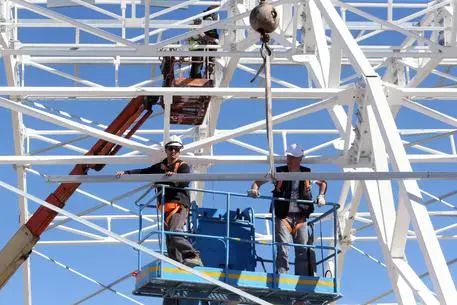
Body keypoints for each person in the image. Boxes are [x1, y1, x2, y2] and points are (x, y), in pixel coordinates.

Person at [116, 135, 203, 267]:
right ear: (166, 149)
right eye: (170, 148)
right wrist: (127, 172)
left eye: (176, 149)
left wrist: (173, 177)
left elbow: (185, 181)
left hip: (179, 204)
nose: (173, 151)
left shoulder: (183, 166)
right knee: (169, 238)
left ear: (179, 150)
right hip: (166, 206)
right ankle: (176, 264)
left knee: (174, 233)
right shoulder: (160, 167)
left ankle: (192, 255)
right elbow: (144, 172)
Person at [247, 143, 327, 276]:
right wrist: (254, 190)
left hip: (301, 216)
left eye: (293, 158)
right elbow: (258, 182)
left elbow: (323, 182)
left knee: (303, 248)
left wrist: (321, 196)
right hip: (283, 215)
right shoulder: (279, 172)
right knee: (282, 247)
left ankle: (303, 278)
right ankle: (282, 276)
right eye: (289, 157)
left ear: (300, 159)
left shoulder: (307, 173)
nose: (290, 161)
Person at [189, 6, 219, 79]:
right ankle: (195, 77)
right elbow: (193, 26)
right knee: (197, 61)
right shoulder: (200, 19)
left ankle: (210, 73)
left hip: (207, 42)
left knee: (211, 59)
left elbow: (214, 38)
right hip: (197, 44)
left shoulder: (214, 21)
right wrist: (204, 36)